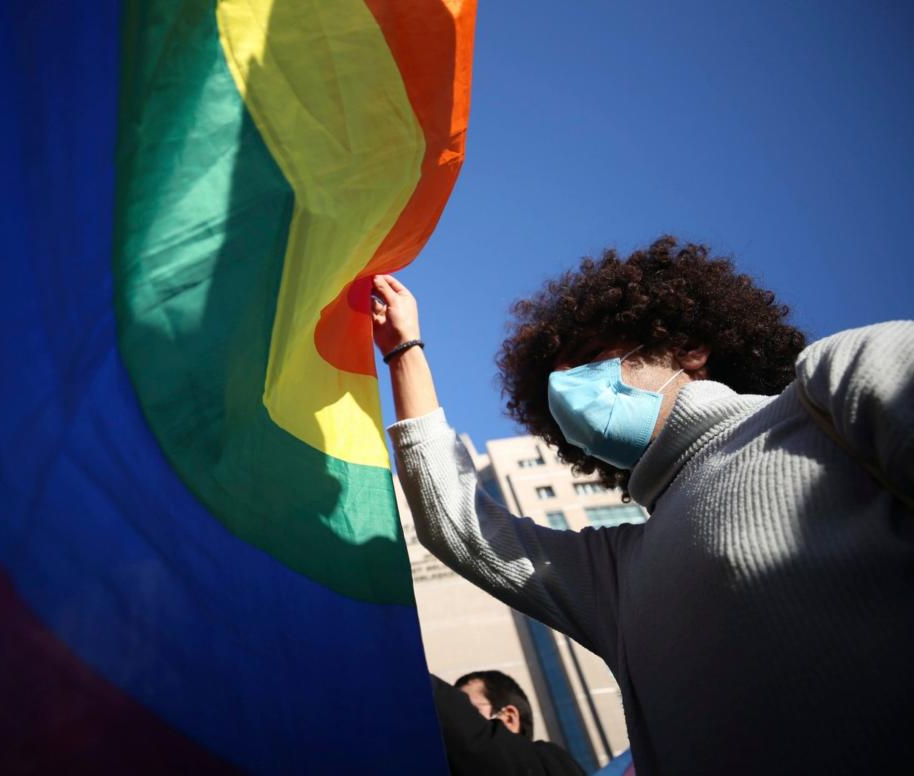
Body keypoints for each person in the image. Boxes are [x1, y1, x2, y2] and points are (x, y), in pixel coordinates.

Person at [372, 237, 914, 775]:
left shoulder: (828, 387)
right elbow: (458, 521)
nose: (568, 390)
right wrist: (404, 350)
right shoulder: (615, 572)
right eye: (555, 386)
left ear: (689, 350)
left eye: (588, 359)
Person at [431, 670, 584, 775]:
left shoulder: (547, 763)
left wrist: (412, 672)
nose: (464, 720)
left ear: (509, 718)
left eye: (471, 711)